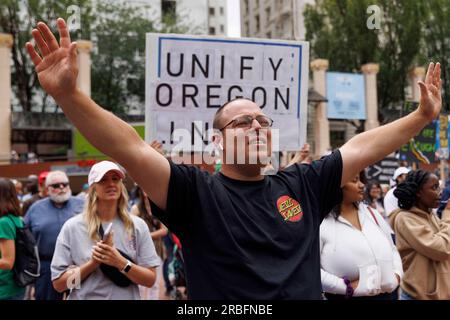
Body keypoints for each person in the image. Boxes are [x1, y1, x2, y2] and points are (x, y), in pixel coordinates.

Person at [26, 18, 442, 299]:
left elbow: (360, 146)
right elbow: (128, 148)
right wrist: (69, 95)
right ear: (217, 141)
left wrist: (421, 116)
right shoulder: (193, 191)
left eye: (263, 119)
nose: (258, 125)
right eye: (243, 122)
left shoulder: (300, 183)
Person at [51, 161, 160, 299]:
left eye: (115, 179)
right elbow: (59, 285)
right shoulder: (72, 227)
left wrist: (120, 262)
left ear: (121, 185)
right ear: (93, 188)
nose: (111, 184)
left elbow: (149, 280)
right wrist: (93, 264)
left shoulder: (137, 225)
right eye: (103, 180)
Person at [320, 172, 402, 300]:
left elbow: (392, 248)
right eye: (354, 180)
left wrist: (397, 275)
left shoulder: (371, 213)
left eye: (361, 180)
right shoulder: (320, 222)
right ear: (336, 186)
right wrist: (345, 287)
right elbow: (311, 269)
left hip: (386, 296)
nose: (362, 185)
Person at [389, 170, 450, 300]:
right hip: (417, 295)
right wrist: (447, 216)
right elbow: (443, 249)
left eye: (439, 186)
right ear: (418, 192)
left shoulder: (430, 214)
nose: (440, 192)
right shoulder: (406, 219)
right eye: (434, 188)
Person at [24, 171, 84, 300]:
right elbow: (25, 237)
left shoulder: (82, 205)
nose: (61, 188)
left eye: (64, 184)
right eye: (56, 185)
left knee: (77, 296)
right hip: (47, 267)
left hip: (75, 266)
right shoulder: (35, 208)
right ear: (47, 189)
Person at [131, 186, 168, 300]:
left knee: (155, 283)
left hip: (157, 249)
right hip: (139, 249)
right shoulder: (136, 208)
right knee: (141, 284)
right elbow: (131, 231)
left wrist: (146, 237)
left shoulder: (160, 207)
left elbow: (164, 230)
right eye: (144, 188)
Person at [0, 178, 26, 300]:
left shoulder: (4, 222)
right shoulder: (16, 219)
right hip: (14, 286)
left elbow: (7, 262)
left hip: (6, 289)